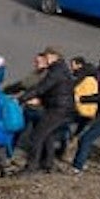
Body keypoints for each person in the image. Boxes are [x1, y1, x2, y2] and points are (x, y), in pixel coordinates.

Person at [16, 47, 74, 175]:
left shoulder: (56, 71)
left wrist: (21, 99)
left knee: (37, 136)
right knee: (48, 135)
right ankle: (48, 164)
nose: (45, 59)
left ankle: (31, 167)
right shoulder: (60, 69)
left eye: (46, 56)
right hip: (60, 107)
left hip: (58, 108)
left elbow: (41, 88)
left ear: (53, 56)